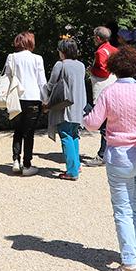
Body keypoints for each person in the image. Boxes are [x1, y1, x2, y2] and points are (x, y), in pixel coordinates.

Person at [84, 46, 136, 271]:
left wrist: (85, 114)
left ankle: (129, 263)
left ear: (115, 68)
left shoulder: (109, 92)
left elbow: (93, 124)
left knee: (123, 211)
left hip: (120, 158)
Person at [43, 37, 87, 180]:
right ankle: (76, 165)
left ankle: (72, 171)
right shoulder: (80, 65)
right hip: (78, 105)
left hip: (64, 106)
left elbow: (51, 85)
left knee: (65, 135)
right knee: (73, 134)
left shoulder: (60, 65)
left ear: (63, 52)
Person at [4, 32, 47, 176]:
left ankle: (15, 160)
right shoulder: (37, 59)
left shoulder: (12, 57)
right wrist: (46, 100)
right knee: (29, 133)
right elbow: (42, 81)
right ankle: (27, 165)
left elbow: (7, 77)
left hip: (16, 98)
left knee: (17, 130)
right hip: (33, 98)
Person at [86, 27, 119, 166]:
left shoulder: (101, 52)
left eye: (94, 37)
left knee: (105, 123)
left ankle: (102, 155)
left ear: (98, 38)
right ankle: (111, 153)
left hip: (103, 88)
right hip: (115, 86)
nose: (93, 39)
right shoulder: (114, 50)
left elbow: (103, 72)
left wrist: (91, 69)